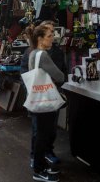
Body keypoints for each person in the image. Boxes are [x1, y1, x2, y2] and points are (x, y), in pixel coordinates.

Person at [22, 21, 67, 169]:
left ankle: (37, 162)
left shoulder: (32, 53)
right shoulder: (42, 55)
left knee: (39, 133)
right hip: (45, 100)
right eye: (49, 35)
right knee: (43, 134)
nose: (52, 38)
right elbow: (60, 76)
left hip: (37, 98)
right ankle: (39, 167)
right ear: (40, 39)